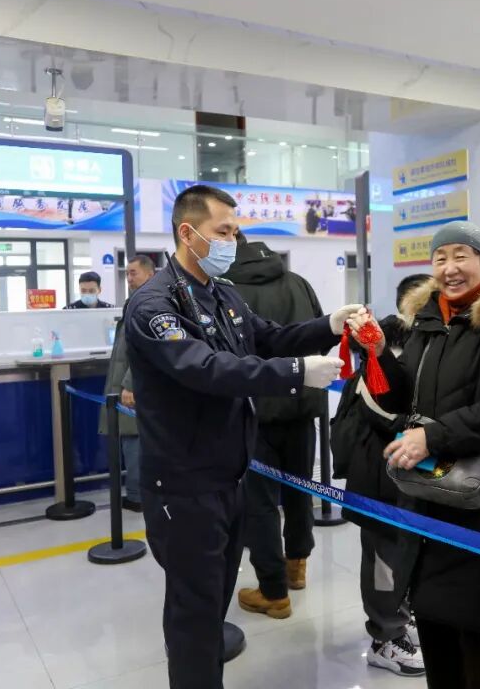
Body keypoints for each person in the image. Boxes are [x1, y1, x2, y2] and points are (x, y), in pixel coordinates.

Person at [124, 184, 362, 689]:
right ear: (188, 233)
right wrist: (297, 373)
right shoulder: (154, 305)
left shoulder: (221, 293)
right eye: (223, 231)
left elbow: (270, 336)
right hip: (184, 487)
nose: (233, 241)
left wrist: (329, 325)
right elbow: (207, 368)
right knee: (194, 613)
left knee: (213, 600)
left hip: (230, 476)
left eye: (235, 231)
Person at [347, 221, 480, 689]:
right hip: (429, 493)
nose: (450, 267)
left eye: (461, 255)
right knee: (435, 620)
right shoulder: (428, 321)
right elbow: (402, 397)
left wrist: (432, 438)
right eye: (440, 258)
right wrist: (379, 354)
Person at [332, 273, 429, 677]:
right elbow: (388, 413)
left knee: (405, 555)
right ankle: (384, 638)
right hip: (379, 478)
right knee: (384, 562)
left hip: (404, 476)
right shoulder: (385, 348)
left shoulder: (425, 344)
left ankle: (399, 619)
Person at [223, 234, 324, 620]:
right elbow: (319, 337)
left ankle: (273, 590)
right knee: (300, 489)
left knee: (260, 502)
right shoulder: (298, 282)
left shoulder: (225, 292)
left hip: (254, 411)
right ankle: (297, 567)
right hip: (302, 403)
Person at [99, 255, 156, 512]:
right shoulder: (136, 301)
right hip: (128, 383)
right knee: (131, 438)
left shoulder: (149, 303)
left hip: (135, 387)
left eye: (134, 273)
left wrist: (130, 383)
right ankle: (138, 492)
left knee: (134, 439)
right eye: (127, 273)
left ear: (150, 274)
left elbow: (147, 348)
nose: (129, 278)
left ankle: (137, 496)